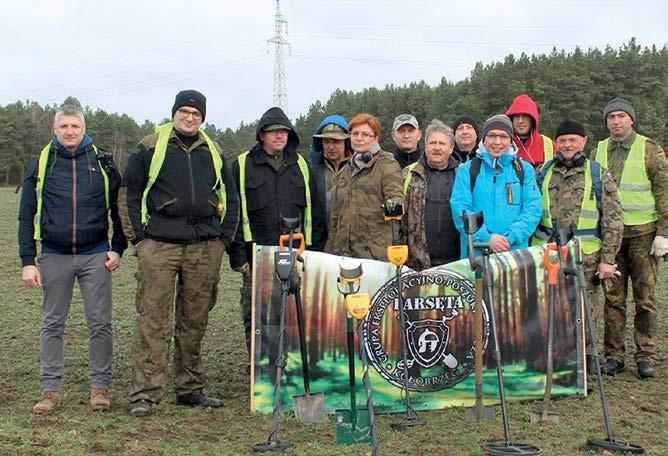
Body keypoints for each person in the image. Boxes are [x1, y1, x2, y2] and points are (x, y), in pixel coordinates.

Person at [119, 90, 240, 416]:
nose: (189, 118)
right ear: (174, 113)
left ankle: (189, 388)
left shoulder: (213, 151)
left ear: (203, 117)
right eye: (184, 112)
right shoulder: (150, 146)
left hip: (204, 247)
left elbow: (233, 198)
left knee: (194, 321)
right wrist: (139, 241)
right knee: (152, 321)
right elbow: (127, 194)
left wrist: (223, 241)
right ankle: (145, 393)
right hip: (159, 245)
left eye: (195, 114)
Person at [18, 104, 127, 414]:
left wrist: (117, 248)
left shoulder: (103, 162)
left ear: (83, 129)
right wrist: (28, 259)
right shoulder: (41, 163)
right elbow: (26, 215)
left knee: (100, 324)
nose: (69, 131)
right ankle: (50, 390)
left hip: (96, 254)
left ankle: (100, 388)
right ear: (55, 129)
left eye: (74, 127)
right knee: (52, 324)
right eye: (63, 126)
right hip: (54, 254)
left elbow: (119, 210)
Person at [533, 119, 623, 387]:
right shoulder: (544, 172)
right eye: (562, 140)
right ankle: (552, 363)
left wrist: (608, 259)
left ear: (584, 142)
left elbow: (613, 219)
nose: (568, 145)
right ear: (556, 144)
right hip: (547, 253)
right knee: (549, 309)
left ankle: (583, 367)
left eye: (573, 140)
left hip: (586, 257)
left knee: (584, 312)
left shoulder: (597, 174)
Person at [229, 106, 322, 362]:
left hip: (297, 254)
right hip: (257, 255)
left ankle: (292, 366)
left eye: (284, 132)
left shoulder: (301, 165)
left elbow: (315, 209)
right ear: (262, 135)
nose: (279, 136)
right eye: (273, 132)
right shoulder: (241, 164)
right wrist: (238, 256)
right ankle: (260, 369)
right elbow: (233, 215)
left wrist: (314, 252)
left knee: (297, 311)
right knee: (258, 314)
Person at [590, 97, 667, 379]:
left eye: (621, 116)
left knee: (645, 299)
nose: (616, 121)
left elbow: (664, 192)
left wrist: (664, 233)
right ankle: (614, 356)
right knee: (613, 299)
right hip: (611, 239)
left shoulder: (649, 149)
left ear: (631, 120)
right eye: (611, 117)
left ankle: (645, 355)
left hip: (643, 237)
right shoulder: (597, 150)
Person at [451, 114, 542, 258]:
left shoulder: (524, 170)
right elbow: (460, 209)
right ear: (484, 139)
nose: (497, 142)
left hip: (514, 254)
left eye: (503, 136)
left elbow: (532, 210)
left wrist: (510, 238)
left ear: (511, 140)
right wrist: (487, 238)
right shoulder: (467, 170)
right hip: (477, 253)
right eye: (492, 135)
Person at [326, 113, 404, 260]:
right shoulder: (346, 170)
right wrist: (330, 252)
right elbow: (335, 217)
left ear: (375, 138)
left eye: (365, 134)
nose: (359, 138)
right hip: (342, 254)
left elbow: (396, 200)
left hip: (375, 255)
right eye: (355, 133)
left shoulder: (387, 164)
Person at [402, 119, 460, 270]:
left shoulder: (463, 175)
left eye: (442, 144)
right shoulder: (408, 174)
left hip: (458, 262)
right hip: (417, 264)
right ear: (425, 146)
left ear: (451, 148)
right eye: (433, 143)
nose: (437, 148)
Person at [308, 114, 351, 251]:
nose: (331, 147)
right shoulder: (312, 171)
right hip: (321, 245)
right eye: (326, 142)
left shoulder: (358, 169)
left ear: (346, 142)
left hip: (352, 246)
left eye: (336, 141)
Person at [506, 94, 555, 169]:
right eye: (516, 116)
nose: (520, 121)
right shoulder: (501, 144)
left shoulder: (550, 146)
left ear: (533, 119)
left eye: (525, 116)